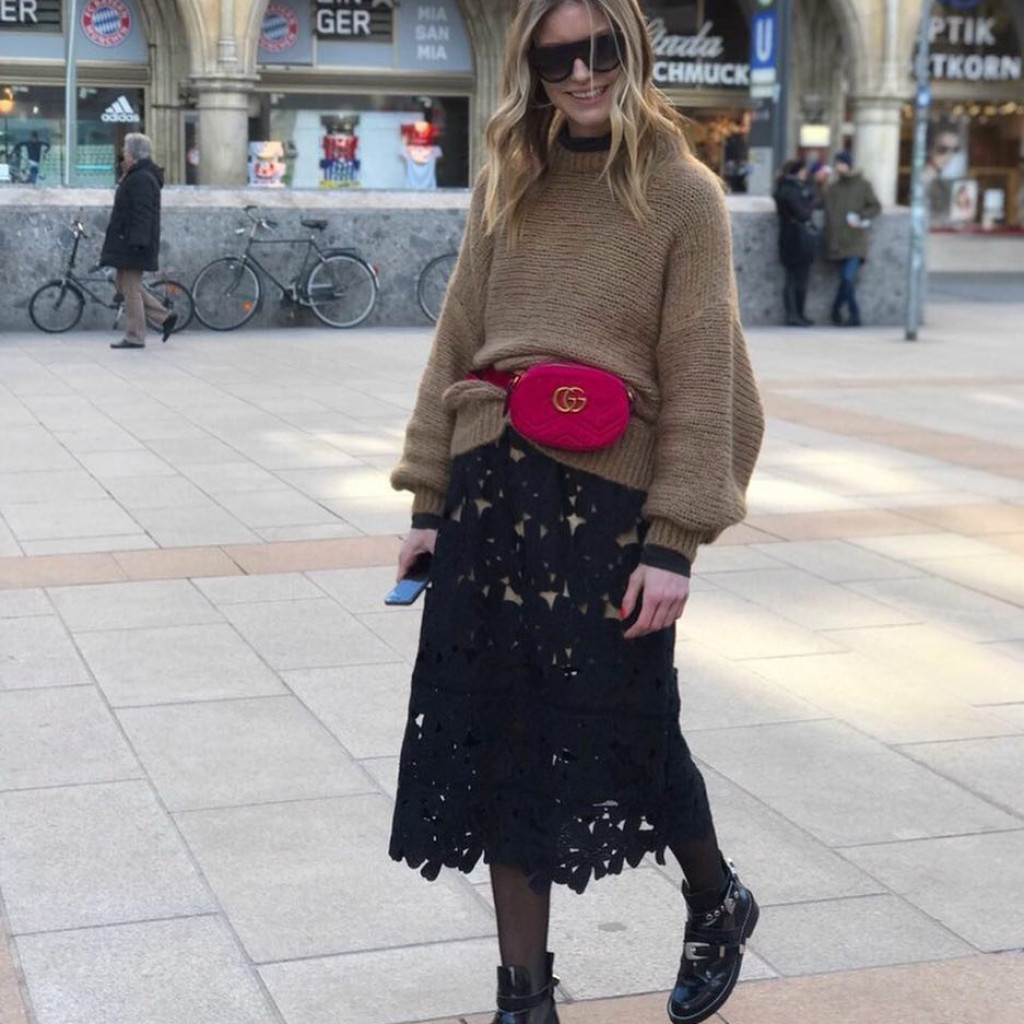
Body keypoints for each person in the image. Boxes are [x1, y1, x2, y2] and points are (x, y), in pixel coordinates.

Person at [388, 3, 765, 1023]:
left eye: (599, 51)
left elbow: (702, 370)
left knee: (634, 727)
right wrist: (428, 497)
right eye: (557, 58)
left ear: (632, 51)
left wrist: (674, 541)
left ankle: (715, 899)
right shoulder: (508, 178)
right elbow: (457, 334)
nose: (581, 74)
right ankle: (524, 998)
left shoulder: (683, 194)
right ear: (532, 67)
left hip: (607, 502)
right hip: (491, 489)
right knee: (499, 732)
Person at [99, 133, 175, 349]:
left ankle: (135, 336)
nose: (123, 153)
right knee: (123, 283)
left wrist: (138, 242)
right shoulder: (137, 175)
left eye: (125, 150)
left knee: (130, 288)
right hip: (129, 241)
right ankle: (164, 316)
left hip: (135, 243)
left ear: (132, 154)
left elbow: (143, 213)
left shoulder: (142, 178)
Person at [823, 150, 881, 327]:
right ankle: (836, 311)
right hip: (837, 241)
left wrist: (861, 216)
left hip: (855, 240)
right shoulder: (833, 188)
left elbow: (875, 206)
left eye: (840, 163)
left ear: (848, 165)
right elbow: (822, 205)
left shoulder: (863, 185)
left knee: (847, 277)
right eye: (836, 163)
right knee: (845, 279)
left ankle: (853, 313)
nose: (837, 167)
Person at [773, 158, 817, 326]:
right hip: (794, 238)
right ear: (797, 171)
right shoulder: (789, 190)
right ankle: (793, 314)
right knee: (793, 278)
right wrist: (810, 203)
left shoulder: (791, 188)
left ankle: (799, 313)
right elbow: (802, 214)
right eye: (803, 170)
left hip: (796, 237)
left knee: (799, 277)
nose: (806, 174)